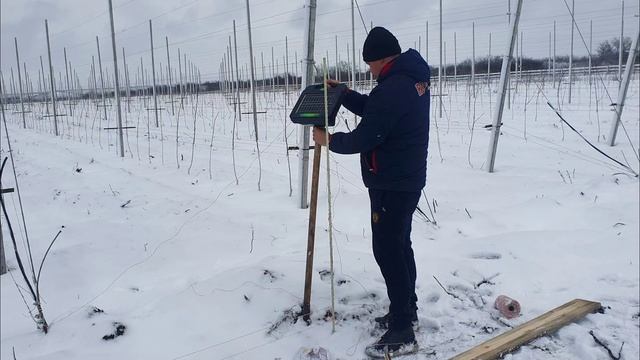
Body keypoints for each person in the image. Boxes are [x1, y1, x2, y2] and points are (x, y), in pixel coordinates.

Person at [312, 26, 430, 357]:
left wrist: (330, 141)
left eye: (370, 64)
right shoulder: (409, 80)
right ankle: (406, 311)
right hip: (403, 179)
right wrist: (346, 93)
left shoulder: (393, 88)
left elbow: (367, 136)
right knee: (399, 246)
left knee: (389, 251)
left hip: (392, 183)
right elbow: (377, 110)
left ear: (381, 59)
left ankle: (403, 330)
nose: (369, 70)